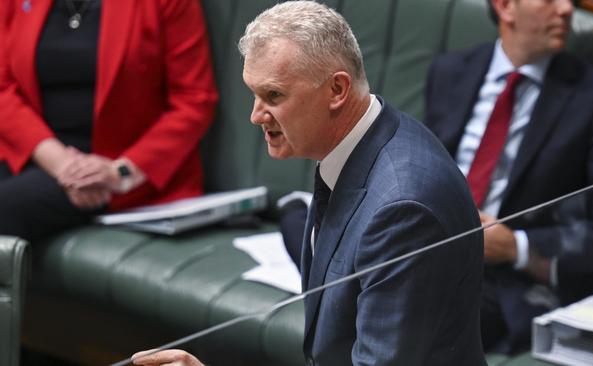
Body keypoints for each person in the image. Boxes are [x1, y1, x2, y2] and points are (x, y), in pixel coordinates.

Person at [132, 1, 486, 365]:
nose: (256, 115)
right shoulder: (362, 142)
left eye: (274, 96)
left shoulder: (403, 210)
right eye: (254, 94)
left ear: (337, 90)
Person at [424, 0, 593, 354]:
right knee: (316, 225)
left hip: (503, 280)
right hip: (423, 243)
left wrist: (517, 246)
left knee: (414, 308)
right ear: (505, 7)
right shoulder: (451, 71)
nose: (566, 10)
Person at [0, 0, 218, 242]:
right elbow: (3, 88)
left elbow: (194, 102)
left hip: (117, 170)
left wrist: (119, 173)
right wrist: (62, 165)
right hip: (34, 152)